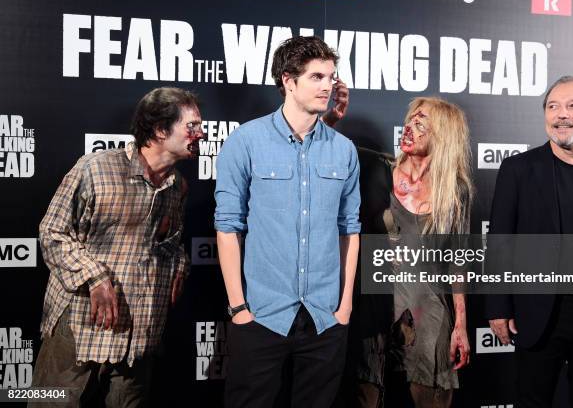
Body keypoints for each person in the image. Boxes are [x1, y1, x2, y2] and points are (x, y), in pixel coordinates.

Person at [31, 87, 204, 408]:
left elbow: (170, 244)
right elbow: (52, 232)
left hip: (140, 334)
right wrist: (95, 277)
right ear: (160, 130)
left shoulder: (177, 187)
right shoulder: (94, 169)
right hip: (81, 328)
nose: (201, 134)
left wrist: (179, 264)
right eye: (191, 126)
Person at [214, 35, 360, 408]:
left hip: (325, 318)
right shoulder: (245, 141)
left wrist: (344, 307)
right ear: (288, 82)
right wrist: (238, 309)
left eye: (330, 76)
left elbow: (350, 230)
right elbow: (228, 227)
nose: (327, 85)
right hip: (261, 315)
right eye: (315, 77)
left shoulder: (343, 150)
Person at [327, 96, 473, 408]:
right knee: (367, 396)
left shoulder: (456, 190)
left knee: (431, 399)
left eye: (422, 125)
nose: (410, 128)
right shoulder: (371, 167)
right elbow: (314, 145)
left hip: (428, 311)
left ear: (443, 137)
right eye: (410, 121)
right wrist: (330, 119)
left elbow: (459, 259)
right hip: (373, 309)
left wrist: (460, 323)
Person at [486, 76, 573, 407]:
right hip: (541, 311)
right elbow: (500, 242)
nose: (561, 115)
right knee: (532, 399)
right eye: (553, 106)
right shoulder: (518, 169)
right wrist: (499, 307)